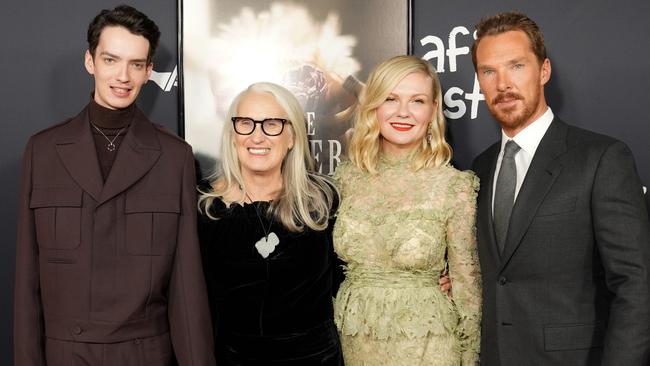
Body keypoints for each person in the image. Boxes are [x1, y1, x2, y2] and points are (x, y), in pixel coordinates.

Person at [14, 5, 215, 365]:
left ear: (148, 71)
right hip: (65, 354)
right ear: (90, 61)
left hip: (147, 355)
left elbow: (187, 286)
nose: (123, 76)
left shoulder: (174, 157)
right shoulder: (42, 151)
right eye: (111, 60)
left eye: (136, 64)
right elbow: (26, 284)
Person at [471, 11, 650, 365]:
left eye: (516, 66)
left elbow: (635, 284)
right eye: (488, 71)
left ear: (544, 71)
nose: (502, 83)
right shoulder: (480, 167)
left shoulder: (601, 158)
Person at [333, 55, 481, 365]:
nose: (403, 112)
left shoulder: (453, 186)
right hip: (355, 346)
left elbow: (468, 290)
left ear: (433, 109)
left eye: (417, 101)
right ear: (374, 106)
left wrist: (469, 358)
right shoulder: (345, 179)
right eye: (391, 99)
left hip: (429, 348)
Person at [198, 82, 343, 365]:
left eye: (272, 124)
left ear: (292, 137)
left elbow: (357, 272)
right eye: (246, 123)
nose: (257, 136)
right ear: (232, 135)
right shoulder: (204, 207)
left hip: (316, 359)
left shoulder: (325, 200)